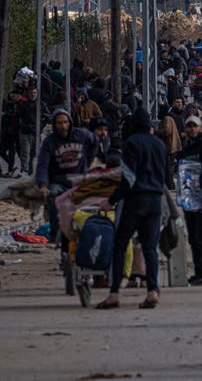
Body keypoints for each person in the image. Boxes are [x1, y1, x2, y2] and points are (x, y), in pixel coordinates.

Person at [96, 109, 166, 310]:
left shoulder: (132, 144)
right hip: (155, 199)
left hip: (136, 200)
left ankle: (114, 293)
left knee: (120, 244)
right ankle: (152, 291)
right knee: (150, 247)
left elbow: (129, 178)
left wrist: (112, 200)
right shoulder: (160, 145)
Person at [36, 109, 97, 261]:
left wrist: (89, 161)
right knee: (55, 200)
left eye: (65, 122)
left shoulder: (81, 135)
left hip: (79, 180)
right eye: (59, 123)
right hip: (59, 181)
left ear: (70, 122)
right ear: (54, 125)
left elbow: (94, 141)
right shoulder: (49, 142)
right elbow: (43, 164)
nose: (63, 126)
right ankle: (56, 231)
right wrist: (43, 184)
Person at [178, 116, 202, 286]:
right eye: (189, 126)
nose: (191, 129)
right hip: (188, 198)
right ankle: (199, 272)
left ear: (200, 128)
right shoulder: (187, 148)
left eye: (194, 126)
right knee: (193, 237)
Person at [1, 91, 20, 177]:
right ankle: (11, 166)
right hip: (5, 131)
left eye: (14, 95)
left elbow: (15, 116)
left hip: (13, 132)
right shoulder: (6, 104)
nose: (12, 97)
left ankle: (10, 169)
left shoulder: (18, 105)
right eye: (11, 95)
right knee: (1, 151)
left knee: (12, 151)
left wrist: (5, 115)